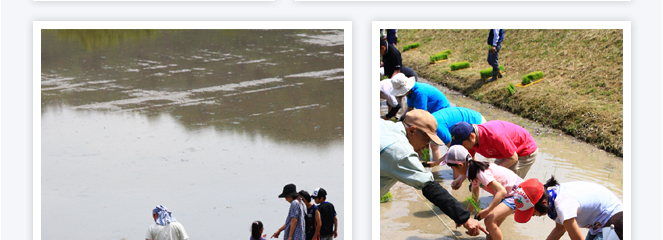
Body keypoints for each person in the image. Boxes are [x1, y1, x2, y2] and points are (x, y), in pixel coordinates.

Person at [380, 109, 487, 236]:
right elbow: (429, 186)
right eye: (426, 139)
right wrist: (465, 218)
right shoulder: (400, 151)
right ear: (412, 130)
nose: (426, 146)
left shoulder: (384, 124)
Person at [443, 145, 523, 240]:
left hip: (518, 192)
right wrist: (464, 218)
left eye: (453, 168)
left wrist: (487, 210)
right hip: (509, 193)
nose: (454, 171)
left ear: (460, 165)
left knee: (489, 220)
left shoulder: (480, 172)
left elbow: (501, 191)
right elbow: (474, 198)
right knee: (490, 229)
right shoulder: (473, 172)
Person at [513, 177, 623, 240]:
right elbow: (559, 229)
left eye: (532, 212)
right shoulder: (553, 198)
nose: (533, 216)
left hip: (613, 221)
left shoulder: (562, 206)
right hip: (598, 223)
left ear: (543, 202)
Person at [449, 121, 538, 180]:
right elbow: (468, 163)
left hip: (524, 151)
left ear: (472, 136)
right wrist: (460, 179)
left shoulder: (495, 136)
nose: (462, 147)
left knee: (509, 182)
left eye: (463, 144)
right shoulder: (470, 142)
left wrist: (490, 173)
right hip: (505, 152)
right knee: (496, 181)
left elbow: (513, 158)